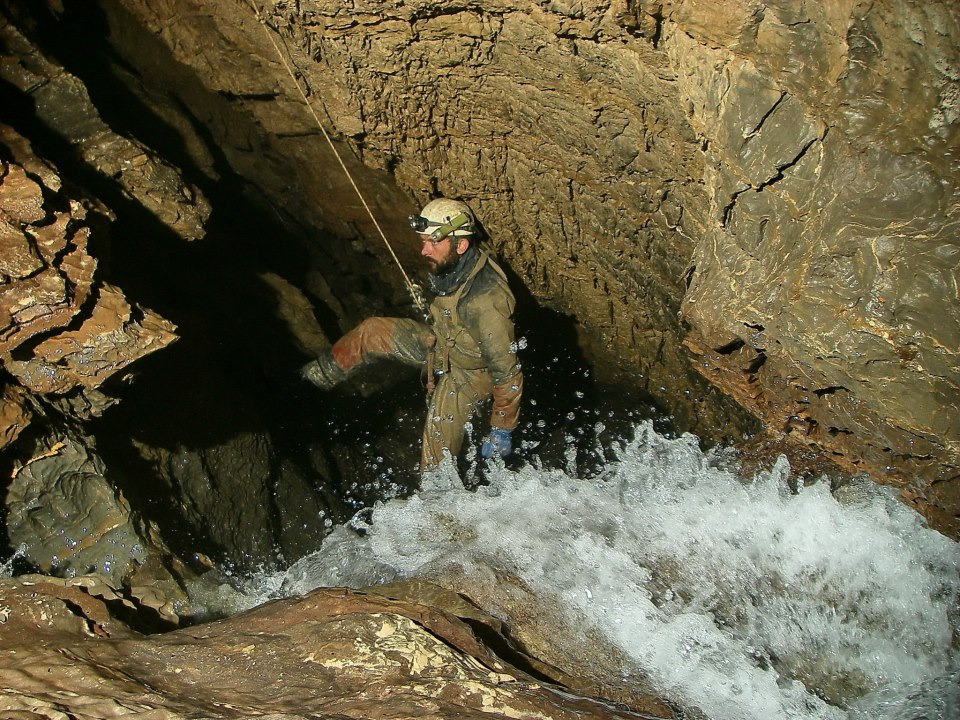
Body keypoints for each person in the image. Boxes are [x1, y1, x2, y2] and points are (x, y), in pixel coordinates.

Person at [301, 198, 523, 474]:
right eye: (423, 241)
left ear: (461, 245)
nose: (423, 250)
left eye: (432, 243)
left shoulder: (486, 300)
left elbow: (507, 371)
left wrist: (501, 426)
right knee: (373, 330)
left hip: (471, 373)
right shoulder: (456, 263)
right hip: (443, 344)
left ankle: (437, 501)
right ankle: (310, 382)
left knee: (436, 454)